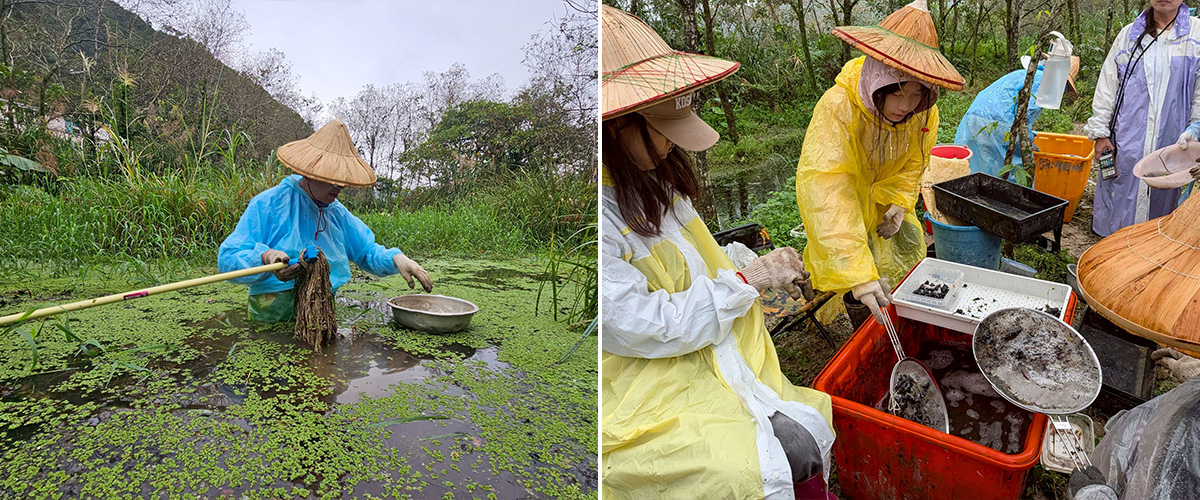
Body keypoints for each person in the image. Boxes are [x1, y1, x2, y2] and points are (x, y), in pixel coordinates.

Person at [600, 6, 835, 499]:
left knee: (806, 430)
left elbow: (702, 258)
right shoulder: (601, 214)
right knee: (747, 473)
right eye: (663, 130)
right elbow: (633, 322)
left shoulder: (658, 184)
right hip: (652, 380)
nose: (670, 147)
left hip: (720, 349)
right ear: (617, 125)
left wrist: (755, 266)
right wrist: (747, 283)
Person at [795, 0, 963, 324]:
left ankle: (889, 319)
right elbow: (827, 184)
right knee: (849, 271)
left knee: (897, 260)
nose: (907, 104)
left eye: (917, 93)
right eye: (898, 91)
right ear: (878, 79)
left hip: (883, 201)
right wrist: (856, 270)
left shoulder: (923, 113)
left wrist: (900, 204)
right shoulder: (838, 107)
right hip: (844, 202)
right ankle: (851, 312)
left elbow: (916, 159)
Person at [218, 118, 432, 322]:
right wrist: (265, 257)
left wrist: (396, 259)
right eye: (331, 179)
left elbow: (366, 252)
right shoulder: (268, 204)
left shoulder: (337, 214)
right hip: (272, 309)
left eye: (341, 180)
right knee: (272, 355)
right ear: (310, 172)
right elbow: (229, 258)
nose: (338, 187)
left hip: (322, 308)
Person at [1084, 0, 1200, 237]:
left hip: (1176, 143)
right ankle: (1114, 254)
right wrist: (1100, 133)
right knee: (1119, 199)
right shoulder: (1129, 35)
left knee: (1166, 214)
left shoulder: (1196, 35)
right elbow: (1108, 85)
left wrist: (1196, 130)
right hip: (1126, 140)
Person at [955, 56, 1080, 177]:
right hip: (995, 121)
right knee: (1013, 168)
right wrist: (1029, 141)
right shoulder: (1041, 81)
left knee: (983, 164)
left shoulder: (1026, 74)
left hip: (975, 115)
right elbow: (1024, 117)